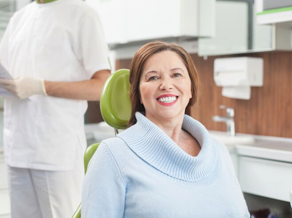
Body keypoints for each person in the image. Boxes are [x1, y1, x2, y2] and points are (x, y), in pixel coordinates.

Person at [82, 41, 250, 217]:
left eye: (176, 75)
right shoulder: (112, 156)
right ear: (138, 93)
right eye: (153, 77)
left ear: (191, 88)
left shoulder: (219, 152)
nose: (166, 85)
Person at [0, 0, 111, 217]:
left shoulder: (82, 14)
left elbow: (102, 86)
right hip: (17, 148)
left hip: (57, 152)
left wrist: (41, 87)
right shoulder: (18, 19)